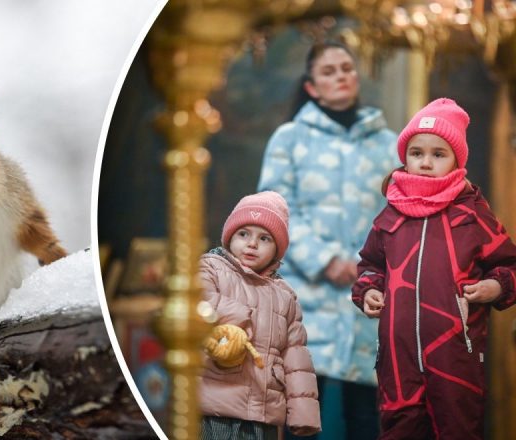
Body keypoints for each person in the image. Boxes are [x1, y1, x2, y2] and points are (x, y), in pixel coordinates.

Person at [352, 97, 516, 439]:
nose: (425, 163)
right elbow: (370, 265)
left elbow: (509, 266)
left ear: (457, 160)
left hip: (455, 360)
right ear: (405, 157)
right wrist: (369, 290)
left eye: (438, 154)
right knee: (399, 431)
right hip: (398, 363)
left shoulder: (472, 215)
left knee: (458, 430)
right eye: (416, 153)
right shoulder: (391, 214)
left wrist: (495, 287)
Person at [257, 41, 397, 439]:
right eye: (329, 71)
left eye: (347, 68)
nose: (341, 76)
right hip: (308, 298)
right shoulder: (289, 139)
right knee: (302, 418)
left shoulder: (387, 143)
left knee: (368, 417)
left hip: (369, 299)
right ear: (312, 86)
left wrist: (370, 267)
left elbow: (400, 215)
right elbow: (275, 211)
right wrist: (325, 260)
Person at [198, 191, 321, 439]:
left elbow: (296, 358)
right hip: (216, 403)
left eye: (264, 238)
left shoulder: (285, 295)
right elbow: (200, 304)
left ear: (277, 249)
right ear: (230, 236)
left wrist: (303, 414)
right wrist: (247, 316)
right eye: (244, 234)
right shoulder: (210, 267)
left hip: (263, 412)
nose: (252, 244)